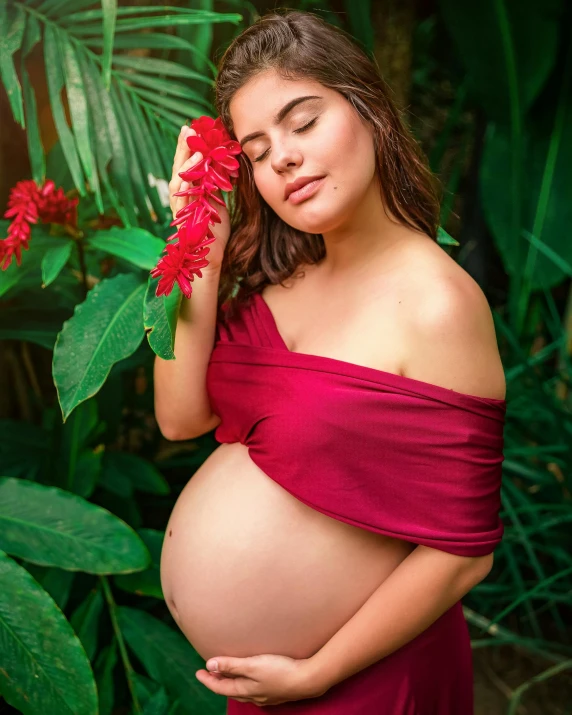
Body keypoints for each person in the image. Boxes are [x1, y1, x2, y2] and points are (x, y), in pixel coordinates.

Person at [156, 9, 507, 714]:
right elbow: (179, 417)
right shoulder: (278, 277)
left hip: (361, 678)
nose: (280, 157)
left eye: (302, 121)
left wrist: (317, 672)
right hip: (262, 688)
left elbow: (466, 552)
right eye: (255, 149)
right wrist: (200, 240)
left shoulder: (438, 303)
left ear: (369, 109)